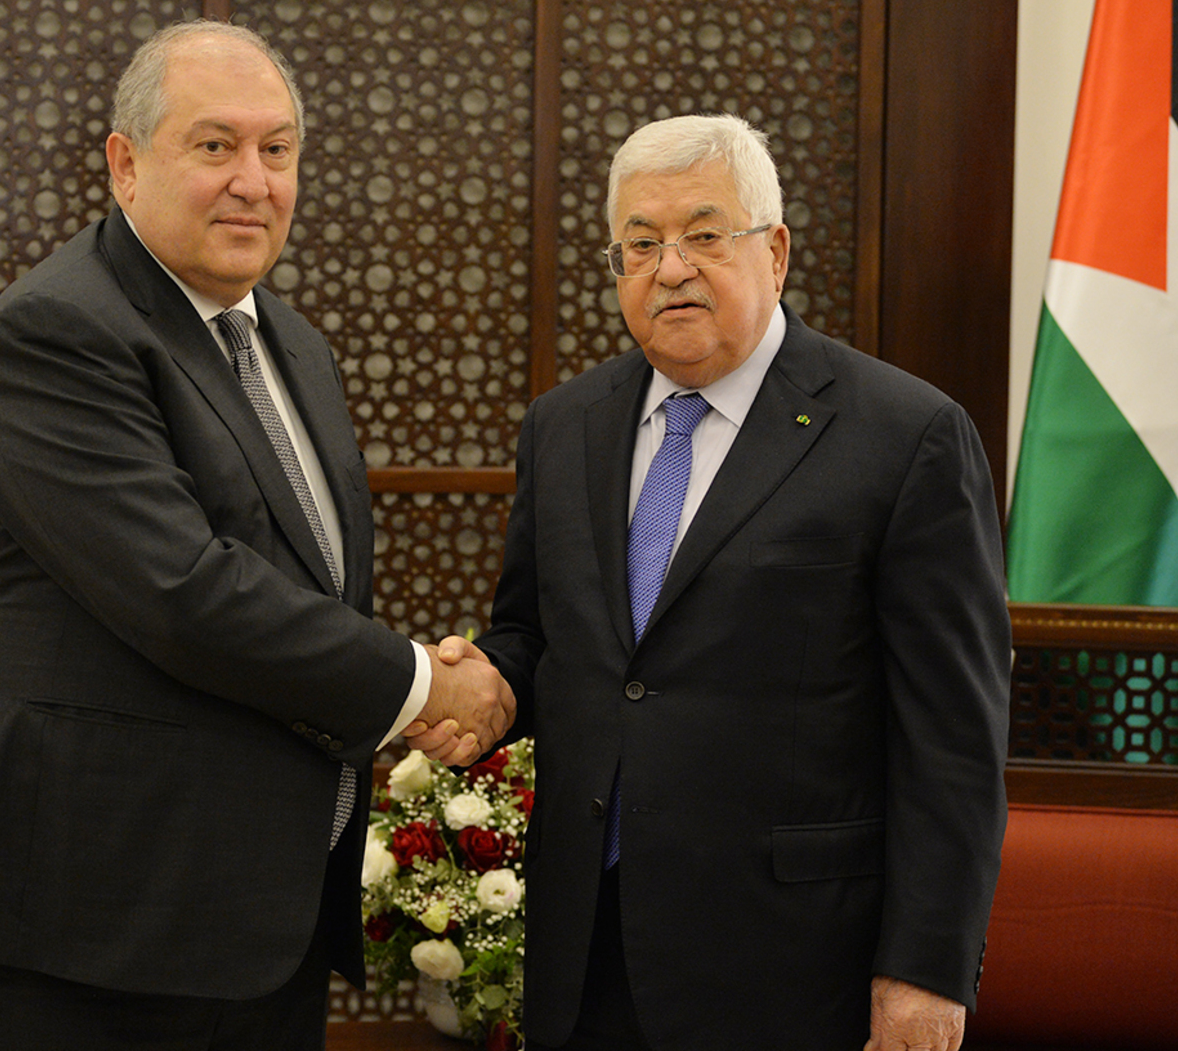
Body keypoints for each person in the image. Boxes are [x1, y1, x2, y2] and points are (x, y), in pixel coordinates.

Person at [0, 18, 513, 1051]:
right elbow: (183, 594)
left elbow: (302, 591)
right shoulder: (59, 330)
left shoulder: (292, 343)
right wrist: (421, 685)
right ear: (125, 163)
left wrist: (409, 685)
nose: (252, 182)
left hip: (255, 920)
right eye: (215, 145)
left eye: (277, 150)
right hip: (89, 930)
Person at [414, 114, 1011, 1050]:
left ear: (774, 252)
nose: (671, 268)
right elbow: (538, 635)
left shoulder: (905, 436)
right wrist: (489, 686)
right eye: (640, 244)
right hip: (588, 951)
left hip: (793, 964)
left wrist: (924, 970)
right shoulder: (564, 426)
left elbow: (954, 737)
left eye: (703, 234)